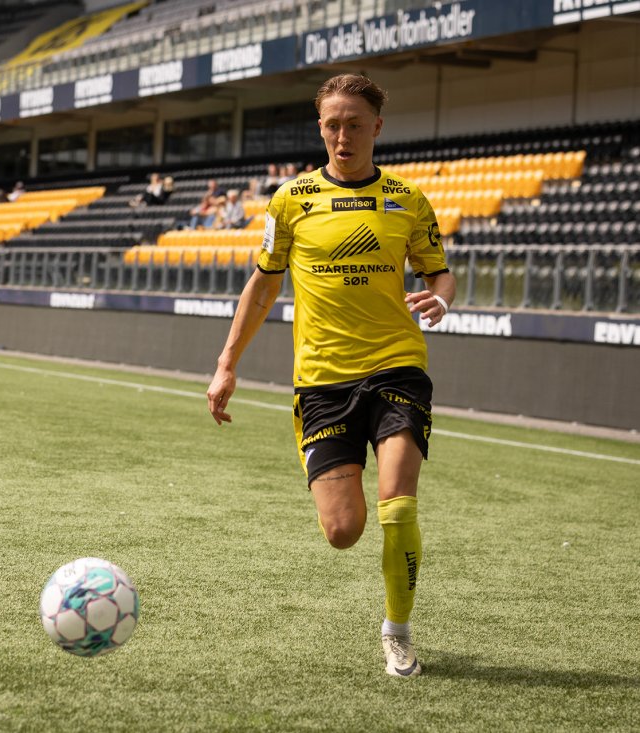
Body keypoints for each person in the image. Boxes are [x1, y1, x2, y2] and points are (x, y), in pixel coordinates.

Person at [205, 73, 456, 678]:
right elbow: (263, 286)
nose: (342, 136)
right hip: (322, 381)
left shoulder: (407, 199)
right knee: (343, 531)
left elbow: (438, 272)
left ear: (377, 127)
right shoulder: (291, 200)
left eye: (353, 123)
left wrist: (441, 299)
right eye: (331, 124)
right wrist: (226, 364)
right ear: (321, 128)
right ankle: (358, 537)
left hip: (397, 364)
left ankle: (397, 631)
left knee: (398, 504)